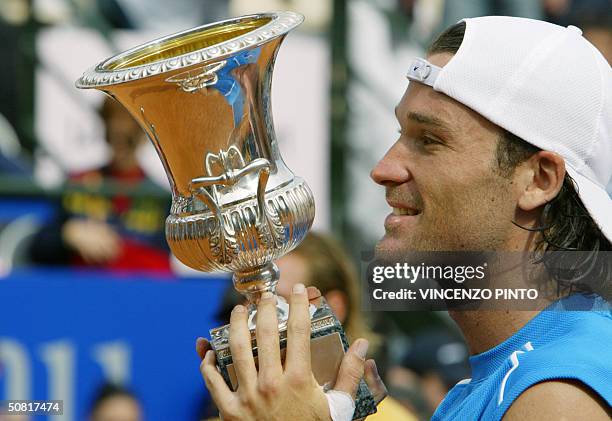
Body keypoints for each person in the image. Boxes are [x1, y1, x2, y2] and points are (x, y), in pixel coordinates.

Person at [196, 16, 611, 420]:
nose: (384, 168)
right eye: (401, 134)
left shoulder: (558, 395)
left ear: (538, 179)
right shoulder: (510, 375)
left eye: (429, 140)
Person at [28, 98, 171, 273]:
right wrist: (69, 234)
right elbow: (37, 246)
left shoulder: (160, 197)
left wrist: (120, 249)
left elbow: (163, 266)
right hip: (81, 289)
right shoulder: (76, 184)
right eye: (113, 131)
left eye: (129, 135)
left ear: (144, 134)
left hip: (135, 293)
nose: (119, 133)